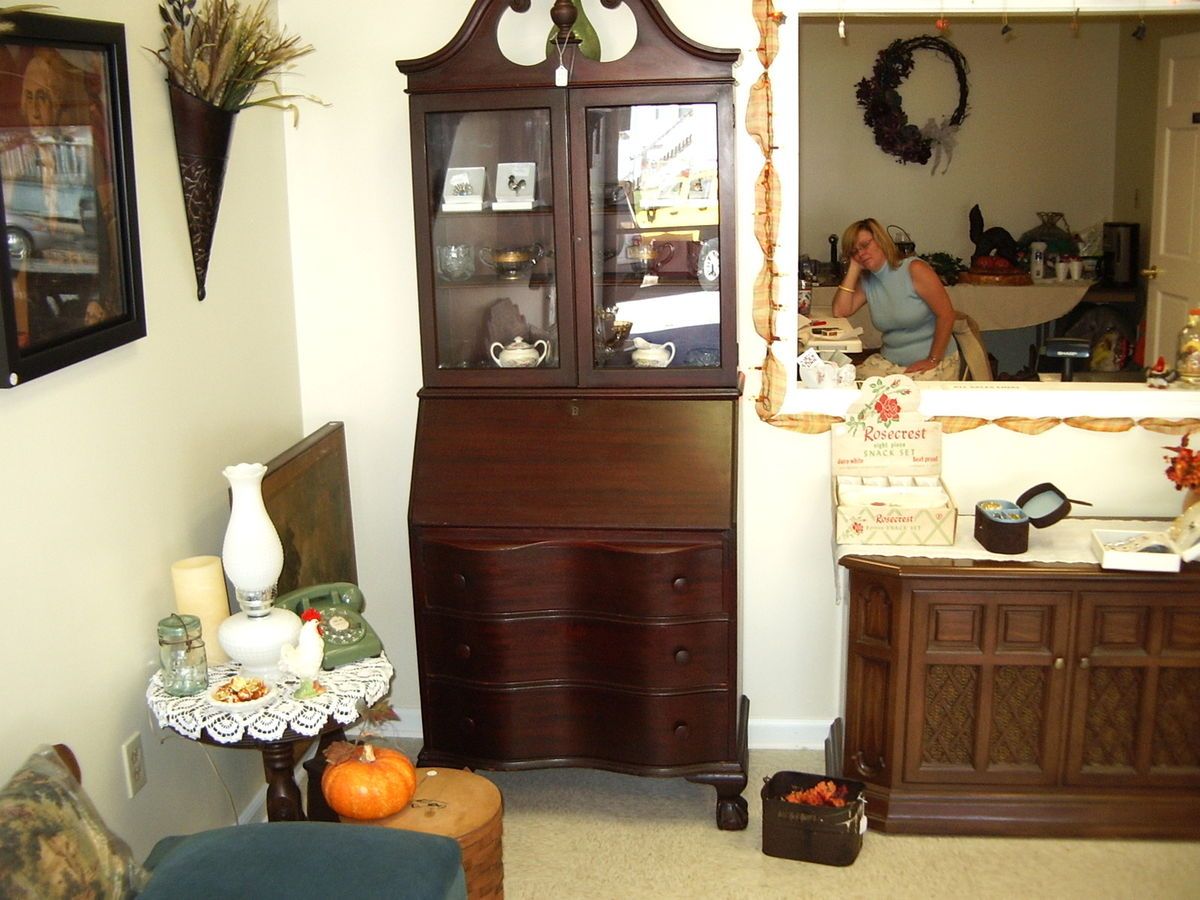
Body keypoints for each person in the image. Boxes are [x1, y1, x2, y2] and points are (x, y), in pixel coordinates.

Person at [832, 218, 959, 380]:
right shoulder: (868, 281)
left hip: (934, 360)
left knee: (899, 399)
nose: (861, 254)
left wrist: (932, 359)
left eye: (864, 246)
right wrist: (854, 267)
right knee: (850, 385)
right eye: (854, 251)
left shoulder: (914, 269)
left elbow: (947, 315)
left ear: (880, 240)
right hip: (892, 363)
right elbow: (840, 311)